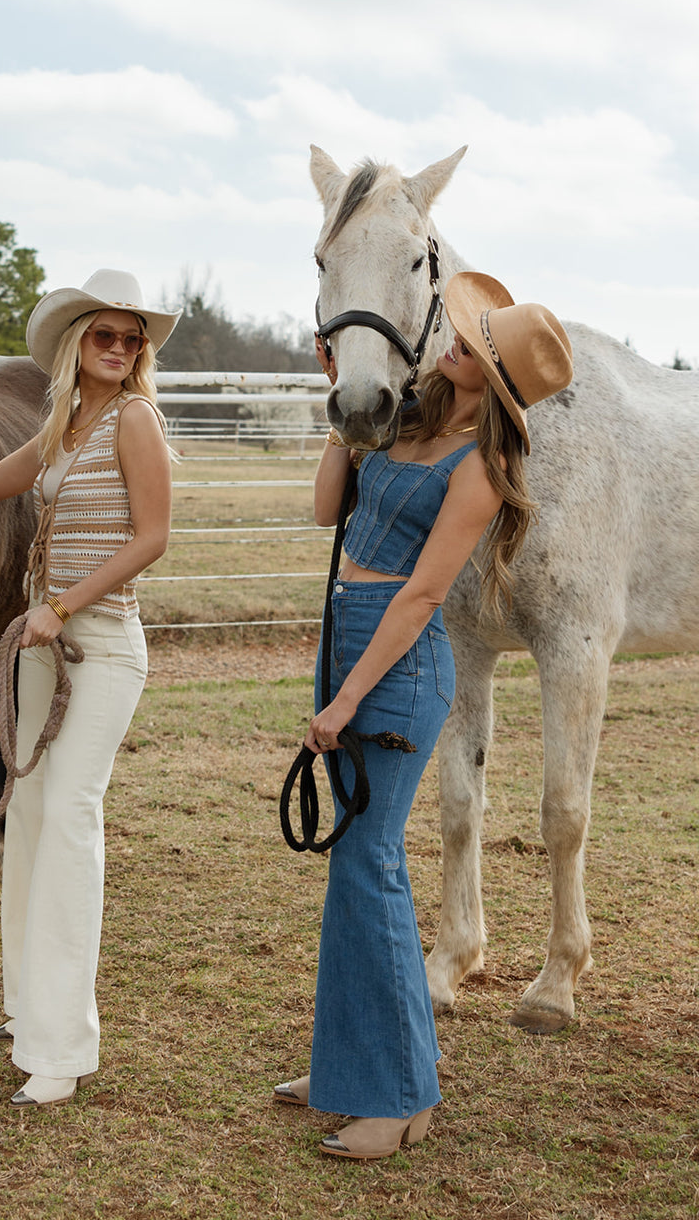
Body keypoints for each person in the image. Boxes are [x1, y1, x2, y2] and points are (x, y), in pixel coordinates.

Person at [275, 271, 574, 1159]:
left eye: (474, 345)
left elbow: (423, 596)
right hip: (345, 636)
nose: (454, 342)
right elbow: (327, 509)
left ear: (494, 378)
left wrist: (347, 698)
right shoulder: (405, 423)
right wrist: (345, 417)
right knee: (353, 871)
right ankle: (345, 1072)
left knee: (372, 867)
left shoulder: (481, 468)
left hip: (395, 668)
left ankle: (405, 1095)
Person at [0, 269, 180, 1108]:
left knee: (69, 815)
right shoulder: (65, 424)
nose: (117, 348)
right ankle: (29, 1009)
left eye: (129, 337)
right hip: (41, 645)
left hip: (101, 646)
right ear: (77, 342)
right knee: (29, 817)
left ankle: (64, 1050)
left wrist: (61, 605)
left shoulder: (135, 421)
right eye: (103, 335)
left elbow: (152, 539)